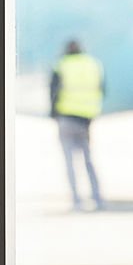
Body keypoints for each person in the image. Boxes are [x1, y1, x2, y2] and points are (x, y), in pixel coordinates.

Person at [50, 39, 104, 211]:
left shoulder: (61, 65)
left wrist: (54, 114)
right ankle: (97, 198)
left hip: (66, 118)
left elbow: (53, 92)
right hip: (86, 119)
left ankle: (76, 200)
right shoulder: (93, 65)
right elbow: (102, 89)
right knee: (88, 160)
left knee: (69, 162)